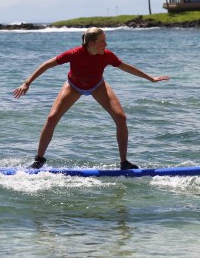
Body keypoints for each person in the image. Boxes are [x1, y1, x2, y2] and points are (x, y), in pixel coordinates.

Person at [13, 27, 170, 170]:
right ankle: (39, 160)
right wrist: (27, 83)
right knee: (52, 117)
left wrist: (151, 78)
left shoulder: (107, 56)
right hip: (73, 86)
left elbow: (125, 66)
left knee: (121, 117)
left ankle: (124, 162)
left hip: (97, 86)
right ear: (92, 43)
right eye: (103, 41)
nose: (106, 44)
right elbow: (47, 64)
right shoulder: (74, 54)